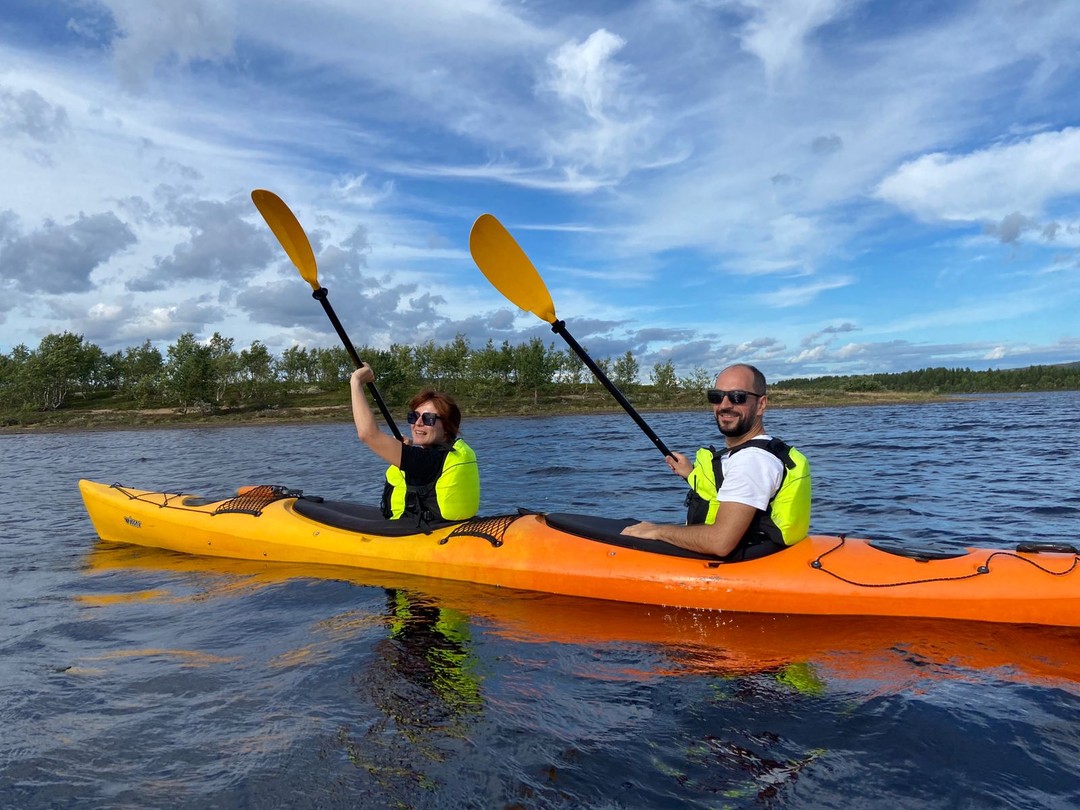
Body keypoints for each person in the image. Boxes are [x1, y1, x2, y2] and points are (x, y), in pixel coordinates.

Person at [621, 363, 810, 561]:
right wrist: (691, 473)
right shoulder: (760, 451)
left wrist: (656, 531)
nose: (725, 405)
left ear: (761, 404)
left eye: (738, 397)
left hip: (741, 566)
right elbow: (730, 488)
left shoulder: (751, 461)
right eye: (717, 397)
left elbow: (720, 542)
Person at [350, 362, 480, 526]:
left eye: (428, 419)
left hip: (423, 537)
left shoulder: (428, 461)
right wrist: (407, 449)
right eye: (414, 416)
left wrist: (356, 382)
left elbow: (368, 434)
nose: (417, 423)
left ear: (447, 426)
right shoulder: (449, 453)